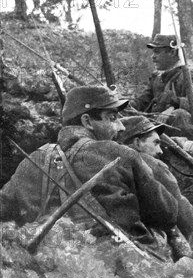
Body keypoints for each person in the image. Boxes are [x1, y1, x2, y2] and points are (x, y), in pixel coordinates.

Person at [0, 86, 179, 254]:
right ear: (87, 121)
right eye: (113, 117)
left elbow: (3, 211)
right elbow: (167, 214)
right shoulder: (120, 154)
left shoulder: (32, 161)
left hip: (55, 263)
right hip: (122, 263)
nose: (122, 127)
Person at [120, 116, 193, 249]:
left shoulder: (114, 162)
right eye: (156, 143)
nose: (160, 151)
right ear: (137, 142)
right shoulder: (153, 165)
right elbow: (182, 213)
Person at [131, 34, 193, 139]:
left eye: (157, 52)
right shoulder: (157, 76)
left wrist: (174, 106)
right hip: (156, 128)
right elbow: (144, 100)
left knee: (178, 114)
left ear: (172, 52)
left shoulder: (191, 74)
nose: (153, 56)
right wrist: (128, 105)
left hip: (182, 132)